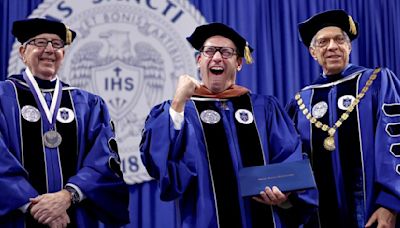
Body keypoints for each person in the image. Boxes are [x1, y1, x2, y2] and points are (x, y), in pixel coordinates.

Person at [140, 22, 317, 228]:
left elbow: (289, 156)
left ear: (239, 62)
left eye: (226, 52)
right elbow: (160, 162)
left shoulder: (264, 108)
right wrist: (178, 101)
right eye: (209, 51)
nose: (217, 58)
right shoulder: (180, 111)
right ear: (199, 60)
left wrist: (285, 194)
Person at [0, 18, 130, 227]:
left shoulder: (88, 104)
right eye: (40, 42)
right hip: (16, 218)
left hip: (75, 216)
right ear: (22, 52)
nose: (50, 49)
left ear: (63, 54)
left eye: (57, 44)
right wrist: (36, 206)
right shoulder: (2, 96)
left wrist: (67, 196)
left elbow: (104, 161)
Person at [286, 9, 400, 228]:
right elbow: (291, 157)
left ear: (349, 46)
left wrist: (390, 203)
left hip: (373, 209)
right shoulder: (301, 101)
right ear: (312, 52)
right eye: (323, 42)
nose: (332, 47)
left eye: (340, 40)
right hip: (319, 214)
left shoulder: (377, 82)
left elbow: (395, 142)